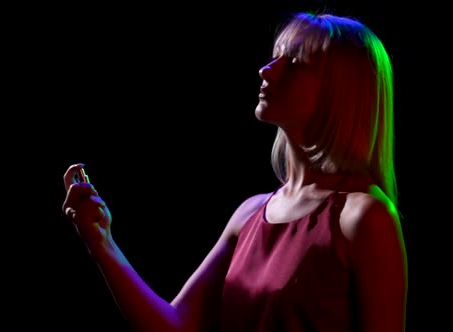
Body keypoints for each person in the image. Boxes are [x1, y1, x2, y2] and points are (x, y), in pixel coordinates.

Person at [62, 11, 408, 332]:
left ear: (340, 93)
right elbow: (176, 324)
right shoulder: (250, 213)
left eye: (293, 62)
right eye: (275, 56)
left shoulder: (365, 217)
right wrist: (101, 242)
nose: (267, 70)